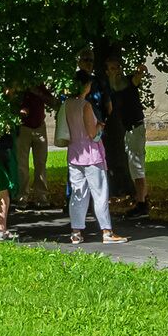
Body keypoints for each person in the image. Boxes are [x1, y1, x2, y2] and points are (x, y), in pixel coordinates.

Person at [62, 83, 125, 243]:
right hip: (91, 155)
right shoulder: (86, 106)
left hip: (75, 154)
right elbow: (92, 133)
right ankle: (107, 232)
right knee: (100, 193)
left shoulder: (67, 104)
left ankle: (76, 232)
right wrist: (100, 125)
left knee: (78, 193)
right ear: (85, 87)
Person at [107, 67, 148, 215]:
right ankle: (141, 199)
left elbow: (137, 78)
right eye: (111, 69)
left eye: (117, 69)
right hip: (130, 129)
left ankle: (142, 204)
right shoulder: (114, 87)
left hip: (135, 127)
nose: (115, 72)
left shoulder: (129, 81)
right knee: (134, 165)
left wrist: (141, 71)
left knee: (137, 165)